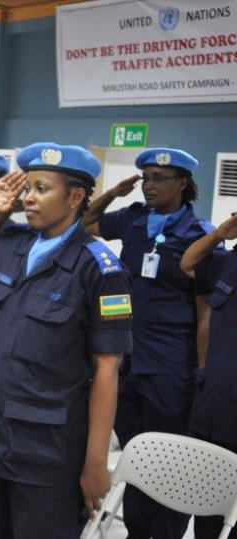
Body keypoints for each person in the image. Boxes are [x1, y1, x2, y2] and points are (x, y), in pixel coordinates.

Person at [0, 142, 133, 538]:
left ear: (76, 196)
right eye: (26, 188)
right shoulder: (9, 246)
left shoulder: (99, 268)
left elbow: (107, 370)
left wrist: (96, 462)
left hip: (46, 451)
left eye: (41, 189)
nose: (28, 198)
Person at [83, 147, 213, 539]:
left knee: (169, 459)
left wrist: (202, 373)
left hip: (172, 364)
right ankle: (139, 532)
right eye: (147, 179)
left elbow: (205, 310)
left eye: (160, 179)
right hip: (129, 362)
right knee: (137, 454)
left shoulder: (199, 235)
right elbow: (84, 222)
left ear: (183, 183)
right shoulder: (134, 219)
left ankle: (168, 533)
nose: (151, 186)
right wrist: (114, 193)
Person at [180, 214, 237, 539]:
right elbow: (189, 262)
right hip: (215, 408)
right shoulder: (228, 260)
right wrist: (220, 234)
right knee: (208, 514)